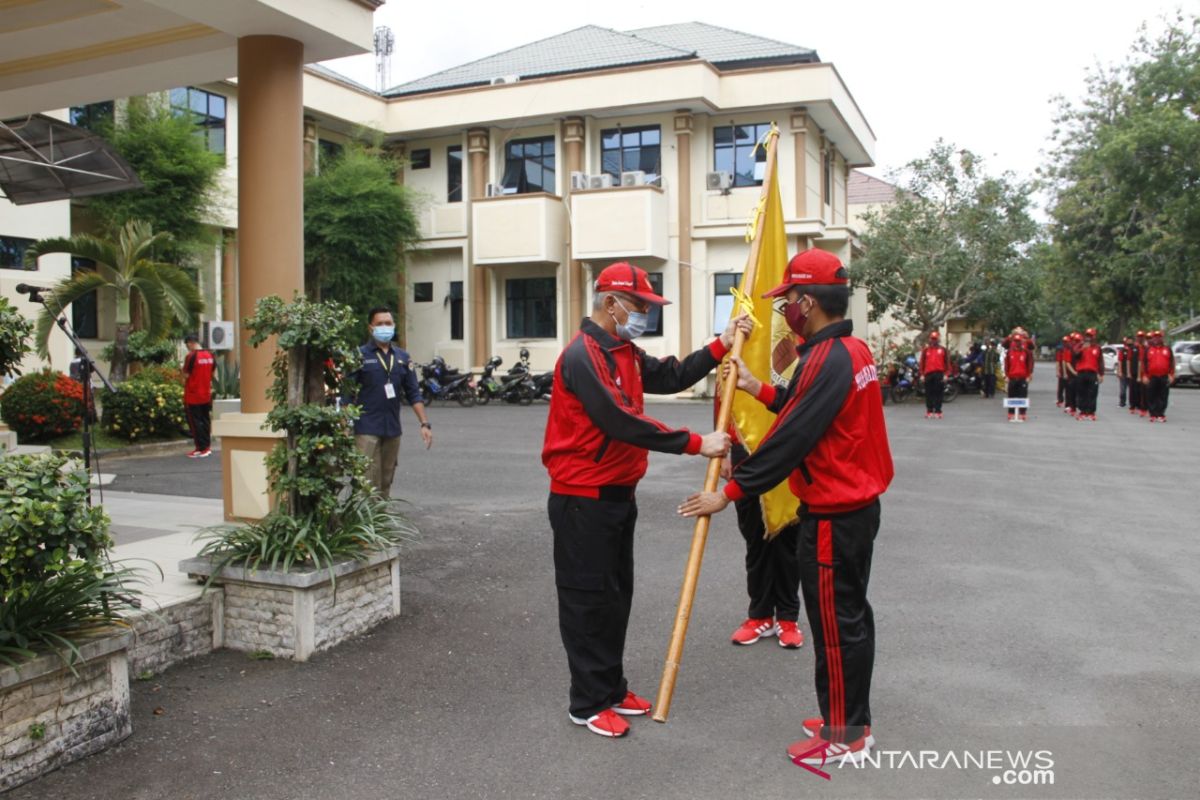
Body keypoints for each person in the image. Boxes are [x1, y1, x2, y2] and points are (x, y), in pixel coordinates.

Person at [679, 249, 893, 766]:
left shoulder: (825, 359)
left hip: (834, 515)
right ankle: (849, 717)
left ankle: (844, 736)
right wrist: (756, 387)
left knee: (837, 628)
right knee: (850, 619)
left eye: (787, 302)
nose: (784, 311)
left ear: (807, 302)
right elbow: (806, 407)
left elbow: (787, 440)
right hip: (857, 507)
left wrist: (726, 495)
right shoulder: (851, 351)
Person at [542, 262, 744, 739]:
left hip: (616, 495)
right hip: (582, 499)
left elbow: (672, 375)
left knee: (615, 599)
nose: (644, 315)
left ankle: (611, 688)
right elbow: (620, 420)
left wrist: (721, 344)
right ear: (610, 304)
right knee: (587, 602)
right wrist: (698, 443)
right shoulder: (583, 355)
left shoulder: (624, 351)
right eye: (639, 306)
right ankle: (587, 702)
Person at [721, 412, 803, 649]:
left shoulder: (798, 371)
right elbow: (723, 400)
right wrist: (723, 453)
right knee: (755, 541)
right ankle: (760, 615)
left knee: (789, 541)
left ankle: (788, 617)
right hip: (745, 449)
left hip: (788, 447)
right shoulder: (734, 371)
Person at [344, 307, 432, 499]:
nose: (385, 327)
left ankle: (381, 524)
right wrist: (343, 424)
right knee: (367, 482)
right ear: (370, 328)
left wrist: (424, 423)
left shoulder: (402, 357)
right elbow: (347, 393)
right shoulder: (359, 355)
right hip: (366, 428)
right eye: (380, 324)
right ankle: (366, 524)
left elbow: (413, 392)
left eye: (388, 323)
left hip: (392, 429)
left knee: (386, 479)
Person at [182, 333, 215, 458]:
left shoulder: (191, 356)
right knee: (205, 420)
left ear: (190, 343)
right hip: (205, 394)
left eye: (187, 345)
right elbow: (213, 372)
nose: (187, 347)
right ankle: (206, 447)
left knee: (195, 423)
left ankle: (201, 448)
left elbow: (186, 374)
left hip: (193, 395)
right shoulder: (210, 355)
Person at [1142, 330, 1175, 422]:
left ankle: (1161, 414)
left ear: (1162, 338)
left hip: (1164, 376)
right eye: (1155, 337)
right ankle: (1153, 414)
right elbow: (1144, 363)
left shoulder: (1167, 349)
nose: (1157, 338)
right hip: (1152, 376)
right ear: (1153, 338)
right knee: (1151, 395)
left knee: (1163, 395)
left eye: (1159, 337)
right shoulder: (1148, 350)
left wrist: (1171, 375)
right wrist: (1144, 375)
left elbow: (1172, 363)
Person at [1074, 328, 1104, 421]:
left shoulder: (1097, 348)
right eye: (1087, 335)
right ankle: (1082, 411)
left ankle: (1091, 412)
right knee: (1081, 392)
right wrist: (1082, 348)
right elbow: (1075, 355)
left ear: (1094, 337)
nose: (1088, 338)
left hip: (1092, 373)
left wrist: (1101, 374)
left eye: (1090, 336)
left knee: (1092, 393)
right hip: (1081, 373)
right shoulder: (1080, 346)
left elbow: (1100, 362)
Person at [918, 331, 949, 419]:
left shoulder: (943, 350)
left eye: (935, 339)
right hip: (928, 374)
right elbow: (922, 363)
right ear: (930, 339)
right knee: (929, 393)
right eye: (932, 339)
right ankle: (929, 411)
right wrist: (922, 374)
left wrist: (946, 374)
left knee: (938, 393)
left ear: (938, 339)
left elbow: (947, 363)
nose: (933, 341)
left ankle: (938, 411)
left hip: (939, 374)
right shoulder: (926, 350)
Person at [1003, 333, 1033, 422]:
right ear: (1013, 342)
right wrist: (1006, 376)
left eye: (1019, 341)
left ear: (1021, 342)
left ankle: (1022, 413)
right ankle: (1011, 413)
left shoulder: (1026, 352)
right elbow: (1006, 365)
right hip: (1012, 377)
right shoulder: (1009, 352)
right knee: (1011, 395)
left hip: (1023, 378)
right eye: (1016, 341)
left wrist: (1029, 375)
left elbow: (1029, 364)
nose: (1017, 343)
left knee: (1023, 395)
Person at [1129, 330, 1147, 417]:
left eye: (1142, 336)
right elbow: (1128, 360)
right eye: (1139, 336)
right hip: (1134, 372)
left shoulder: (1146, 348)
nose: (1140, 338)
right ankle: (1132, 405)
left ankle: (1141, 405)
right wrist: (1129, 372)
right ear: (1136, 337)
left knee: (1142, 390)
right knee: (1133, 389)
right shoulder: (1133, 348)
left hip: (1143, 372)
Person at [1117, 336, 1134, 408]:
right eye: (1128, 340)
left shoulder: (1134, 349)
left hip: (1132, 372)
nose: (1129, 342)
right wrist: (1119, 371)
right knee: (1123, 389)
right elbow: (1120, 361)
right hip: (1124, 372)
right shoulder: (1123, 350)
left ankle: (1133, 403)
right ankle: (1122, 402)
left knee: (1133, 389)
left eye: (1131, 340)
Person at [1055, 335, 1071, 408]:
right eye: (1064, 342)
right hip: (1062, 371)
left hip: (1070, 371)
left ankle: (1068, 402)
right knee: (1061, 387)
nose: (1065, 343)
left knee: (1069, 388)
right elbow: (1058, 362)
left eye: (1066, 342)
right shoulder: (1060, 351)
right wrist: (1057, 371)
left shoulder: (1071, 350)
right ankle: (1060, 400)